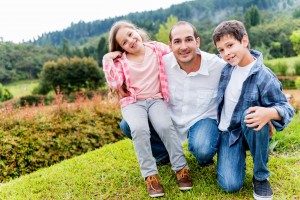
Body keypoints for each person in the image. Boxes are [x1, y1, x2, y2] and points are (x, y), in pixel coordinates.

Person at [102, 20, 192, 198]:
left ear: (136, 30)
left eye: (130, 34)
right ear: (121, 48)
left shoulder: (157, 49)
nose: (130, 41)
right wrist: (107, 60)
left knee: (165, 126)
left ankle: (181, 168)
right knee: (139, 129)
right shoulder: (121, 61)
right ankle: (150, 175)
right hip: (133, 103)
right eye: (124, 42)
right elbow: (115, 83)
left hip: (156, 99)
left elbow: (178, 57)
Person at [120, 21, 226, 169]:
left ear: (197, 42)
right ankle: (164, 154)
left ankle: (204, 156)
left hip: (202, 119)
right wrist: (112, 57)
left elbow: (242, 71)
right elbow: (137, 57)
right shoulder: (160, 63)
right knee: (127, 124)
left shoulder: (218, 66)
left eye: (188, 40)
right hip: (168, 118)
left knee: (203, 149)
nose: (183, 47)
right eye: (177, 41)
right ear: (170, 46)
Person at [212, 20, 295, 200]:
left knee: (254, 114)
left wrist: (270, 113)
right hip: (228, 132)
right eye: (221, 50)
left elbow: (286, 108)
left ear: (244, 41)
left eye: (230, 45)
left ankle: (260, 176)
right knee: (230, 185)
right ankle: (227, 154)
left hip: (250, 129)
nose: (226, 53)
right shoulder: (225, 68)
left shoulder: (264, 76)